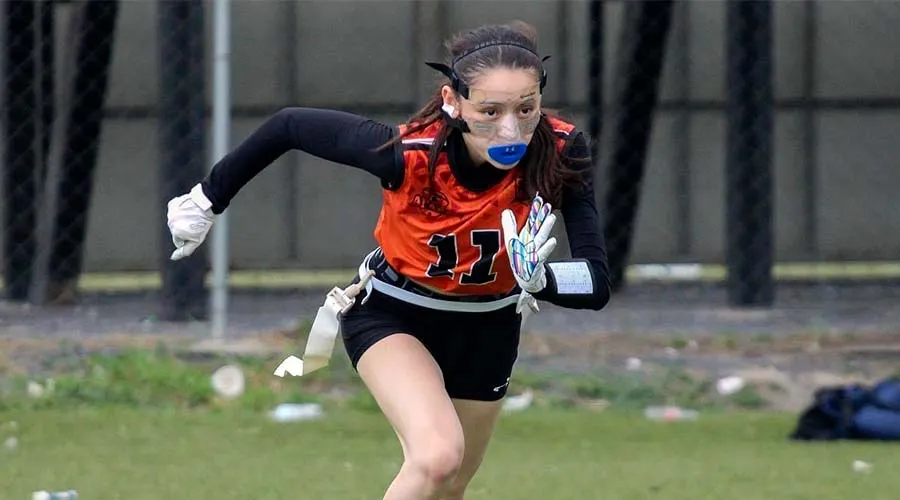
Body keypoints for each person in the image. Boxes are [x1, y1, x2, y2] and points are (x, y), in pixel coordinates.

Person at [166, 20, 611, 500]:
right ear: (452, 101)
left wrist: (540, 278)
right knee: (437, 457)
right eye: (489, 110)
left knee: (449, 485)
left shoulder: (562, 150)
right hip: (396, 312)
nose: (511, 128)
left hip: (490, 325)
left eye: (526, 108)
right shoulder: (409, 154)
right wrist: (208, 198)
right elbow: (289, 125)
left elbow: (596, 279)